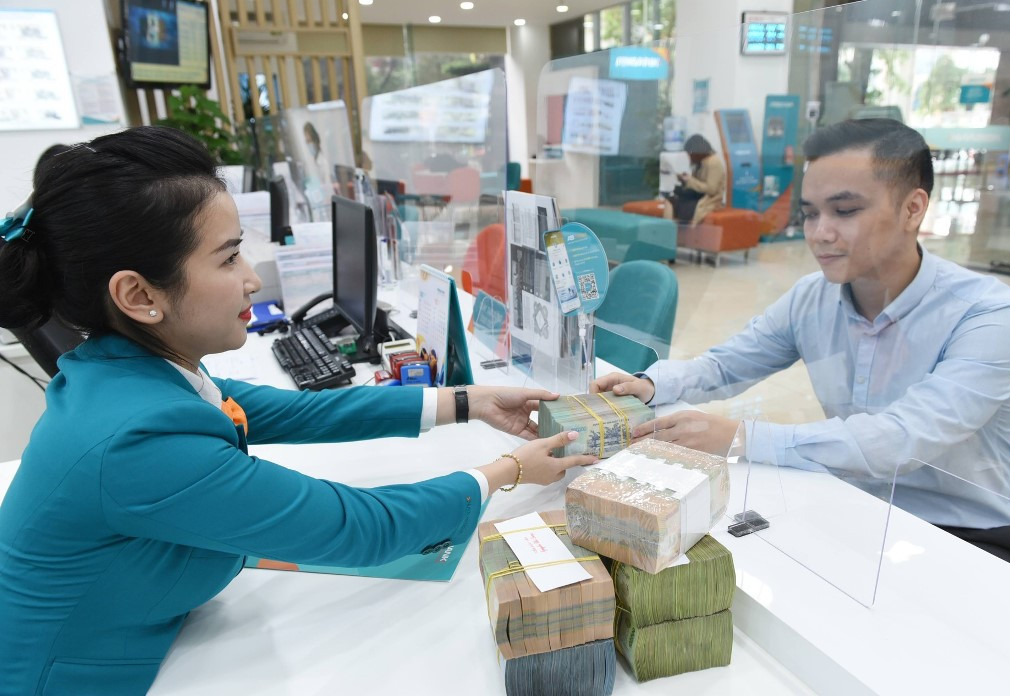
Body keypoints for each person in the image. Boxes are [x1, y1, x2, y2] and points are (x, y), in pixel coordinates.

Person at [0, 126, 596, 695]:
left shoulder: (128, 368)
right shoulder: (137, 439)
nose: (253, 280)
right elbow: (362, 529)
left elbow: (301, 412)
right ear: (138, 295)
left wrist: (469, 401)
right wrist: (508, 471)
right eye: (229, 258)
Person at [595, 119, 1010, 568]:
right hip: (847, 504)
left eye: (845, 211)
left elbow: (899, 440)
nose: (820, 233)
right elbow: (729, 364)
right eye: (809, 213)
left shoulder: (988, 314)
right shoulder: (813, 296)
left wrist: (740, 437)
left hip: (959, 533)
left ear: (913, 209)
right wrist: (652, 383)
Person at [664, 134, 726, 225]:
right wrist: (684, 180)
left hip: (708, 200)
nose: (689, 157)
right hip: (697, 196)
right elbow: (696, 184)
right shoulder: (700, 163)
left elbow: (711, 189)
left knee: (683, 206)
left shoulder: (714, 163)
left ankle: (674, 230)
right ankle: (668, 230)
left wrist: (690, 180)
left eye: (690, 154)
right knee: (670, 200)